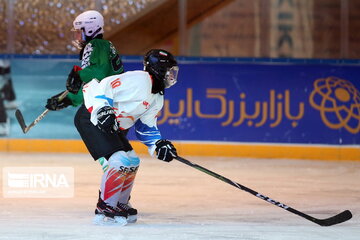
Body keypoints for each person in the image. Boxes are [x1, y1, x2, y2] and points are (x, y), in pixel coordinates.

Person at [44, 10, 136, 222]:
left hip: (100, 112)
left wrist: (78, 75)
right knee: (125, 157)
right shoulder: (103, 47)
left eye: (79, 32)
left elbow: (98, 74)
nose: (77, 36)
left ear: (91, 29)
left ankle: (108, 204)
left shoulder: (96, 46)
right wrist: (65, 99)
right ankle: (120, 200)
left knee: (114, 158)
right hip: (115, 109)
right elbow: (93, 84)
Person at [69, 48, 178, 225]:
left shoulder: (157, 97)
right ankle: (105, 206)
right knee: (119, 160)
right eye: (169, 71)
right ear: (158, 69)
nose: (172, 76)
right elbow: (101, 85)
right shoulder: (138, 79)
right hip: (91, 118)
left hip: (111, 127)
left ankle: (120, 203)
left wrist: (158, 145)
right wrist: (103, 109)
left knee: (133, 161)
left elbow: (145, 127)